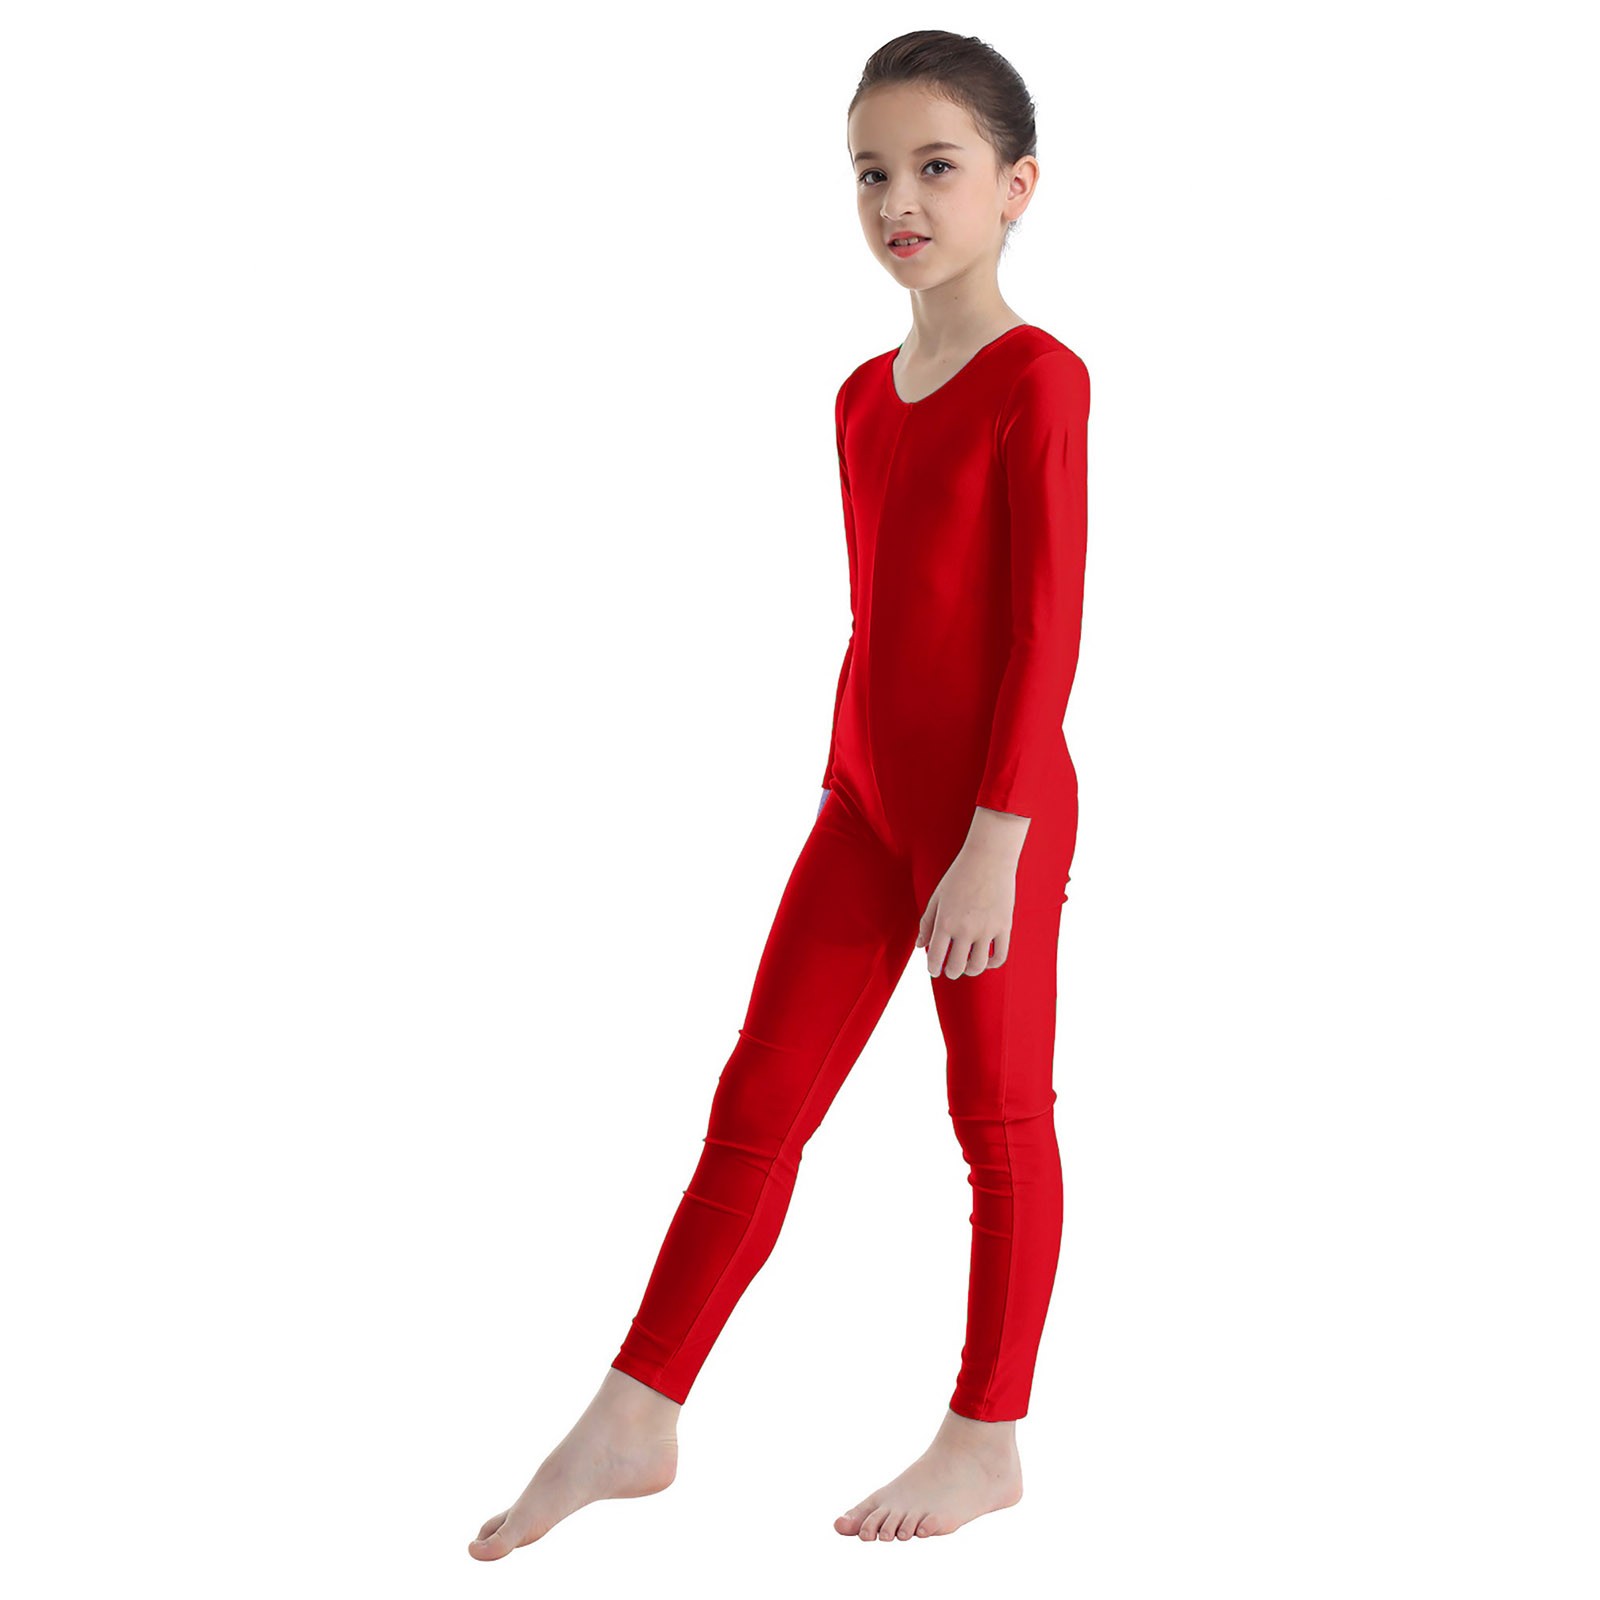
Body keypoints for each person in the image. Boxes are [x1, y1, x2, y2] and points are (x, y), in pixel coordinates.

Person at [469, 28, 1090, 1555]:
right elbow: (883, 620)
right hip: (865, 806)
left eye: (936, 168)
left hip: (992, 820)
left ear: (1017, 187)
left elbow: (1043, 630)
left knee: (995, 1119)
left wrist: (995, 840)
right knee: (756, 1103)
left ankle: (987, 1434)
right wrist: (855, 785)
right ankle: (638, 1410)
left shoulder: (1041, 381)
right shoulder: (861, 398)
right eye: (871, 173)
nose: (899, 201)